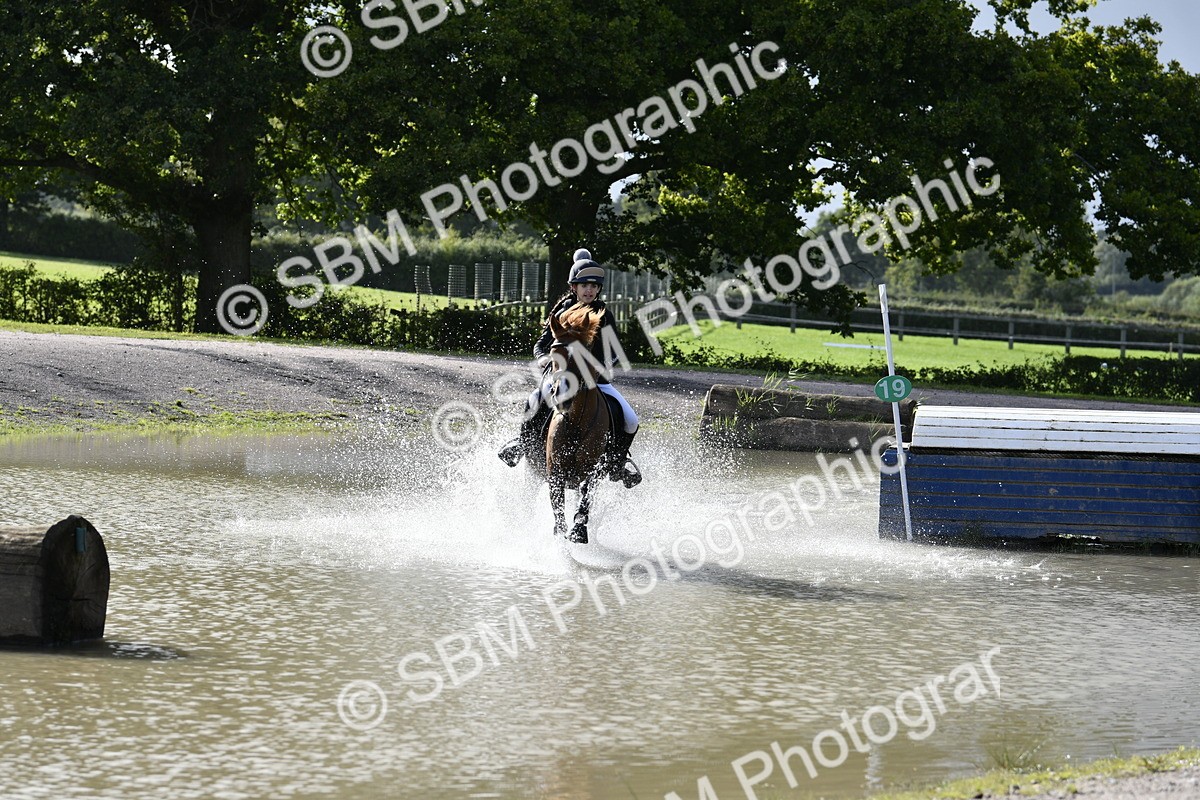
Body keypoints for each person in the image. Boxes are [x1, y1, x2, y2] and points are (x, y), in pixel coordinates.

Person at [498, 249, 642, 488]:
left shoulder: (604, 315)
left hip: (595, 380)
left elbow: (615, 351)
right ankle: (522, 443)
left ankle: (618, 462)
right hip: (561, 376)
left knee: (631, 420)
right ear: (574, 287)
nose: (589, 290)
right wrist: (543, 358)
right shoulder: (562, 311)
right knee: (534, 399)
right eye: (584, 285)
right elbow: (541, 344)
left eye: (594, 286)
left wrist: (602, 367)